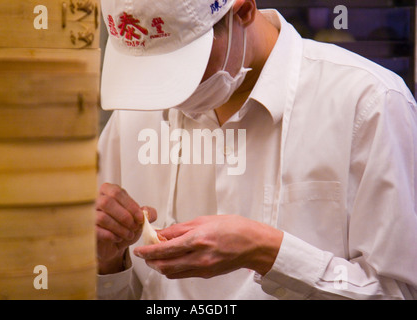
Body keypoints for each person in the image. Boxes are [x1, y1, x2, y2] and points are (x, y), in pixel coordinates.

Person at [96, 0, 417, 300]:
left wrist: (266, 252)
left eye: (182, 64)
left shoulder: (367, 103)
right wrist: (108, 262)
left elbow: (397, 292)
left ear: (244, 11)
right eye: (148, 72)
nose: (166, 92)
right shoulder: (137, 111)